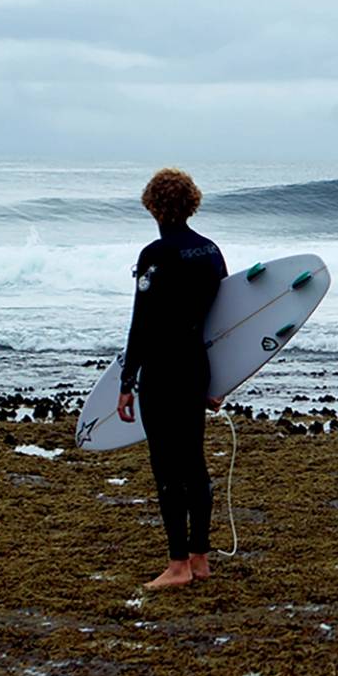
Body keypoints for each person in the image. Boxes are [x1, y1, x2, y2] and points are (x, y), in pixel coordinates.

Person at [115, 168, 228, 589]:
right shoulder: (211, 252)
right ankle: (200, 558)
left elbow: (141, 323)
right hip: (196, 367)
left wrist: (127, 382)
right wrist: (218, 382)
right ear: (192, 203)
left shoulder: (156, 255)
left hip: (162, 370)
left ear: (153, 205)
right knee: (194, 465)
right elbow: (223, 321)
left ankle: (177, 565)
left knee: (166, 468)